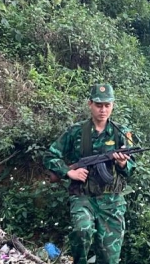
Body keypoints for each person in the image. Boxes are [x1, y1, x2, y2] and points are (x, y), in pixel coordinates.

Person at [43, 84, 135, 264]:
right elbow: (50, 155)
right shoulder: (76, 131)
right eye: (99, 105)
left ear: (113, 105)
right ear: (90, 104)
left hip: (112, 201)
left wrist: (123, 163)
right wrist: (69, 172)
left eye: (107, 105)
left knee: (109, 257)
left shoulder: (121, 133)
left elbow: (131, 170)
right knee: (82, 230)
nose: (103, 110)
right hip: (82, 196)